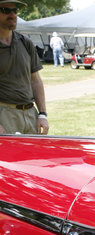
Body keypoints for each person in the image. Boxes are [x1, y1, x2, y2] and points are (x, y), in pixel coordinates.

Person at [0, 0, 49, 135]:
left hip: (30, 114)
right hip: (4, 115)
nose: (12, 15)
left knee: (34, 156)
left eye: (15, 11)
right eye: (5, 10)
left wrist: (42, 114)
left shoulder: (25, 42)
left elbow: (35, 80)